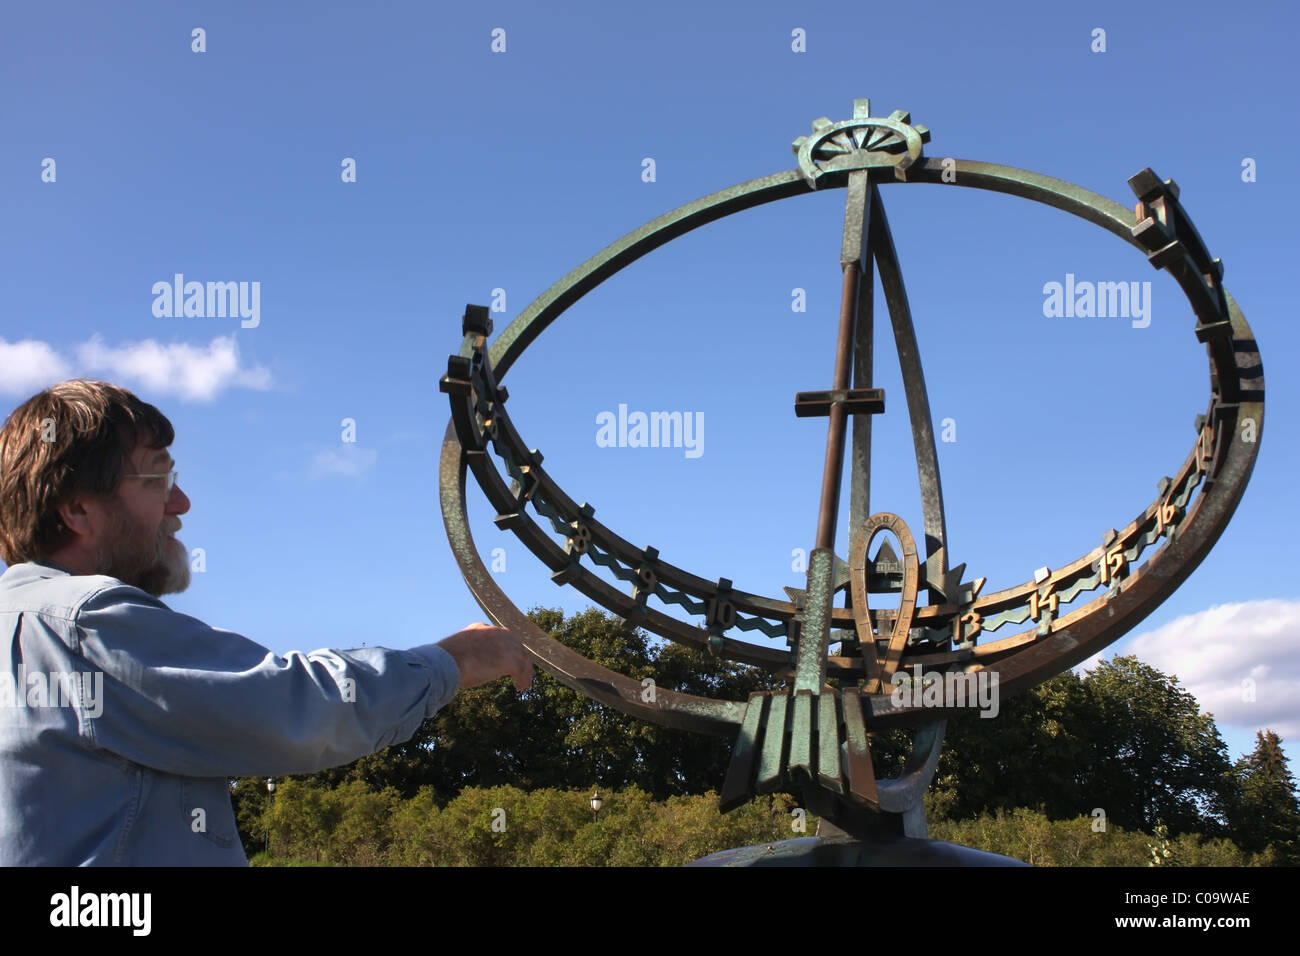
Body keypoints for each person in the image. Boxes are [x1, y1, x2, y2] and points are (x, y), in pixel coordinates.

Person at [0, 380, 534, 865]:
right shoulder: (82, 625)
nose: (181, 503)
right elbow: (295, 707)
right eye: (157, 481)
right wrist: (455, 660)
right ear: (78, 511)